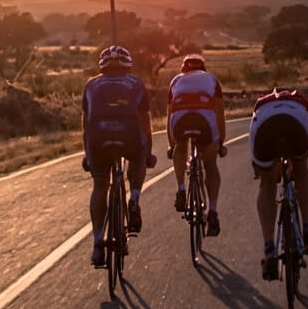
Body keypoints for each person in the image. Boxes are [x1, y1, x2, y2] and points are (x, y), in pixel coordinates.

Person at [81, 44, 154, 268]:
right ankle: (133, 199)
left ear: (102, 66)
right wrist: (148, 152)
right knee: (138, 157)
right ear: (128, 66)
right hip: (129, 134)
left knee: (100, 184)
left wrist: (87, 154)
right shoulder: (137, 83)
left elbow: (86, 121)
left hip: (98, 136)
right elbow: (145, 122)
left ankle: (97, 243)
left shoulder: (91, 84)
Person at [249, 88, 308, 281]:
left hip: (264, 127)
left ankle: (269, 248)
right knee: (302, 169)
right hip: (296, 122)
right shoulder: (301, 103)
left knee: (267, 182)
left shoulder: (260, 106)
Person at [166, 53, 227, 236]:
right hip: (204, 122)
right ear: (203, 69)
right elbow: (219, 114)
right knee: (210, 163)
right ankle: (213, 211)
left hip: (180, 122)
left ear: (183, 70)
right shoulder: (212, 80)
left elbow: (170, 115)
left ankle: (181, 189)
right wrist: (220, 142)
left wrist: (172, 144)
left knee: (181, 145)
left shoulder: (175, 81)